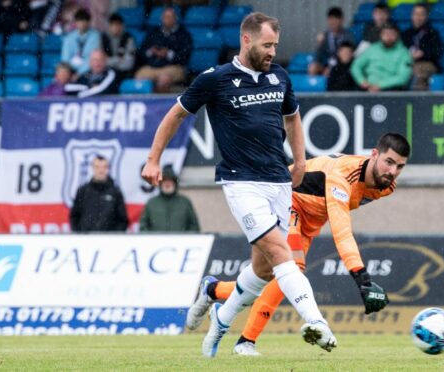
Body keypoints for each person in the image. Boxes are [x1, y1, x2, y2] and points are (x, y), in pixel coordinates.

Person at [141, 12, 336, 358]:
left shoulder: (279, 76)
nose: (273, 51)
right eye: (267, 45)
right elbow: (175, 115)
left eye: (275, 44)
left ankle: (220, 314)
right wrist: (154, 160)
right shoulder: (214, 79)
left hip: (278, 181)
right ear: (246, 40)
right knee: (282, 254)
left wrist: (301, 160)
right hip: (241, 183)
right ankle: (316, 321)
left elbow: (292, 118)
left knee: (262, 269)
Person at [187, 133, 409, 356]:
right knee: (291, 268)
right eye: (388, 162)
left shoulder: (386, 187)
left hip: (311, 222)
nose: (392, 171)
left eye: (399, 166)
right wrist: (363, 280)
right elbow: (341, 231)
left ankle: (213, 290)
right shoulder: (343, 175)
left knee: (265, 276)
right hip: (288, 203)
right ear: (373, 154)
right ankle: (246, 341)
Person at [135, 7, 192, 93]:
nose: (167, 19)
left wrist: (168, 53)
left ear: (175, 18)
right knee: (138, 78)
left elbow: (185, 56)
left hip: (173, 67)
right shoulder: (154, 32)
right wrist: (152, 51)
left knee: (163, 80)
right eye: (165, 17)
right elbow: (142, 51)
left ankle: (160, 105)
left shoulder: (183, 34)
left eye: (169, 17)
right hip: (152, 67)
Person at [70, 155, 128, 232]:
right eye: (97, 167)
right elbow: (74, 216)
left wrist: (113, 237)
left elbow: (122, 220)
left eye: (104, 167)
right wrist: (80, 234)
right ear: (93, 168)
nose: (101, 170)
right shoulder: (83, 191)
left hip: (108, 241)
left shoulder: (115, 192)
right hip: (86, 240)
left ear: (108, 169)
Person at [351, 23, 412, 92]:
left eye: (392, 34)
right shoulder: (372, 48)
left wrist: (380, 85)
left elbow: (402, 78)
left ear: (397, 35)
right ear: (380, 35)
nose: (388, 37)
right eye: (385, 34)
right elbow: (356, 66)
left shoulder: (404, 53)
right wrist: (361, 80)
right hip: (367, 88)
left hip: (391, 90)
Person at [139, 165, 200, 232]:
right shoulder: (151, 203)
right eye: (164, 180)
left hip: (180, 242)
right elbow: (143, 227)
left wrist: (184, 239)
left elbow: (194, 226)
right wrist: (153, 239)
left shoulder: (185, 202)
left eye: (170, 180)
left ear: (175, 183)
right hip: (157, 242)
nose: (167, 183)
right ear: (160, 183)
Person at [401, 4, 444, 91]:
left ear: (426, 16)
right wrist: (409, 55)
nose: (418, 17)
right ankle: (398, 99)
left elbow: (438, 51)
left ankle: (418, 101)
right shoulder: (406, 33)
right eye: (416, 14)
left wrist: (423, 53)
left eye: (421, 14)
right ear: (412, 16)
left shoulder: (432, 33)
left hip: (428, 63)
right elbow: (400, 51)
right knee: (401, 73)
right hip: (408, 63)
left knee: (418, 72)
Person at [308, 7, 355, 76]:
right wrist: (319, 44)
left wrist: (332, 67)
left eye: (336, 19)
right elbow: (318, 55)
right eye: (331, 19)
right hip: (326, 64)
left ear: (341, 20)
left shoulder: (348, 36)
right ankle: (313, 85)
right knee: (312, 67)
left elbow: (348, 56)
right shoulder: (324, 36)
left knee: (331, 71)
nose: (333, 22)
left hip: (341, 65)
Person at [102, 13, 137, 81]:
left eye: (118, 25)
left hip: (124, 73)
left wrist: (109, 61)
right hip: (106, 72)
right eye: (113, 25)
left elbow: (129, 63)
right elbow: (101, 62)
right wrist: (119, 59)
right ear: (109, 26)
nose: (115, 28)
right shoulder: (103, 38)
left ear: (122, 26)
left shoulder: (129, 39)